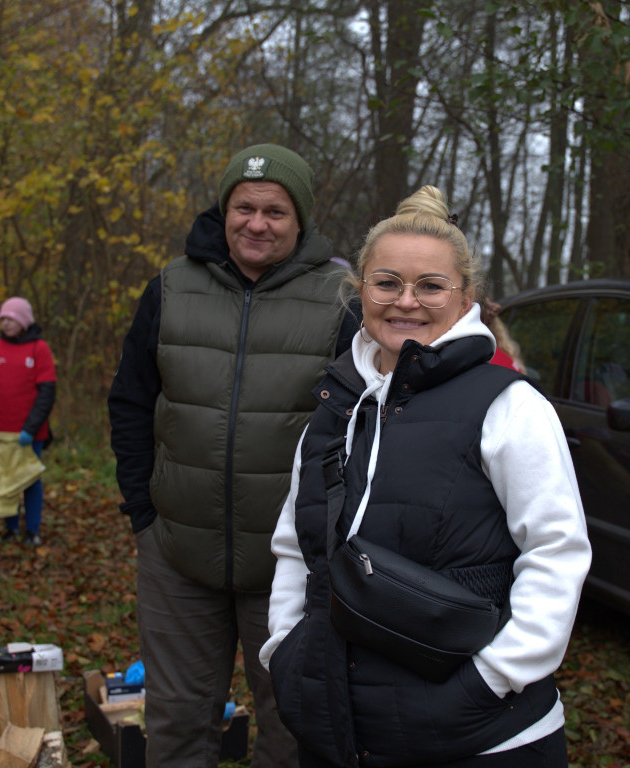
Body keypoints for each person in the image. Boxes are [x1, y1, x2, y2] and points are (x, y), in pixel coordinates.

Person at [260, 186, 592, 768]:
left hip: (481, 736)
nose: (405, 301)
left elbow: (557, 554)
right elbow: (297, 544)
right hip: (341, 729)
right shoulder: (337, 407)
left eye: (431, 286)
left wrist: (491, 680)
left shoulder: (510, 406)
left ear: (466, 298)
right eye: (387, 282)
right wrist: (285, 650)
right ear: (360, 289)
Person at [107, 143, 357, 768]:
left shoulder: (341, 299)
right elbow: (131, 402)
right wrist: (143, 511)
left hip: (292, 564)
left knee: (292, 722)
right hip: (177, 554)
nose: (257, 223)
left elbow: (364, 423)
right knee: (177, 724)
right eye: (244, 207)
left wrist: (329, 531)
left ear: (300, 220)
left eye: (275, 210)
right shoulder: (170, 287)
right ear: (224, 210)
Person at [0, 296, 56, 546]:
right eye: (3, 319)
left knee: (30, 481)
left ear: (24, 321)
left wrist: (30, 429)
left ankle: (32, 529)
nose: (6, 323)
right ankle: (10, 527)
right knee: (5, 482)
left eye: (11, 318)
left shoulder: (39, 348)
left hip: (29, 434)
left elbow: (47, 392)